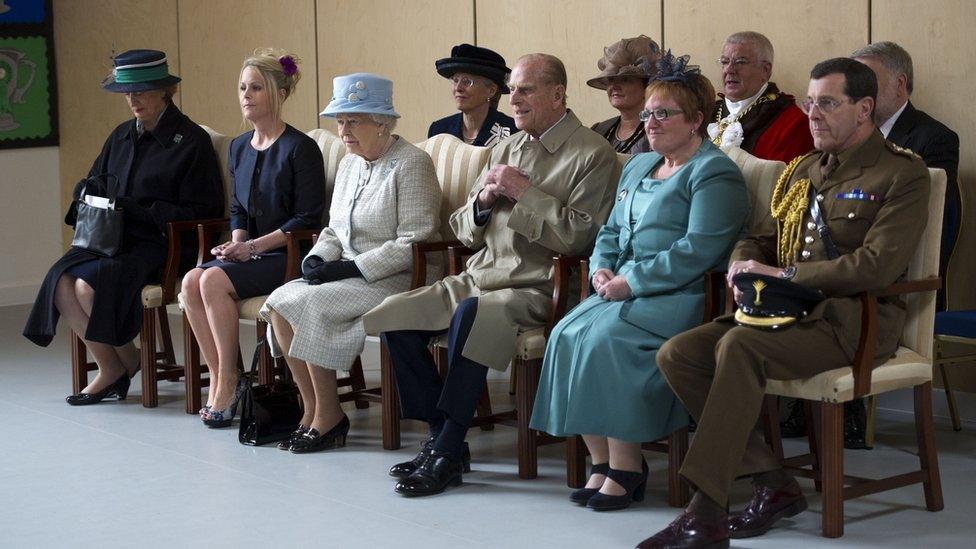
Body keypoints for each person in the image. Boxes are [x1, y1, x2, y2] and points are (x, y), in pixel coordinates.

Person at [637, 58, 930, 548]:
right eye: (811, 103)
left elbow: (875, 267)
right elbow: (764, 237)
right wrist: (743, 262)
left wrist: (787, 274)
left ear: (864, 109)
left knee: (739, 348)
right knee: (679, 353)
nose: (813, 113)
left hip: (853, 320)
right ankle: (774, 484)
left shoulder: (902, 174)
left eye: (827, 104)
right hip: (783, 314)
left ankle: (705, 512)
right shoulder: (803, 169)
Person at [362, 53, 620, 497]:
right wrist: (483, 201)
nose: (512, 98)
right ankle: (443, 432)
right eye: (512, 89)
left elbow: (581, 239)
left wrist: (524, 193)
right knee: (392, 316)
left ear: (558, 94)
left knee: (472, 315)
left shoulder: (593, 154)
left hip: (537, 286)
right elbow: (462, 230)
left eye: (525, 89)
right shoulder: (505, 147)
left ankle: (444, 451)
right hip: (478, 276)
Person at [531, 52, 750, 511]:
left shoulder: (714, 172)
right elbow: (609, 231)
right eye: (648, 113)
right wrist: (600, 268)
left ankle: (628, 467)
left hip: (680, 295)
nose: (650, 122)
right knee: (566, 335)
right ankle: (600, 461)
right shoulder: (637, 165)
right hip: (619, 288)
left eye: (663, 113)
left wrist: (632, 282)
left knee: (605, 340)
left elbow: (700, 249)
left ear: (696, 121)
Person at [24, 49, 223, 405]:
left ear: (165, 91)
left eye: (142, 91)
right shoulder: (120, 135)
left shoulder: (192, 141)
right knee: (61, 281)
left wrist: (143, 211)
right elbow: (98, 180)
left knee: (87, 290)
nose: (134, 99)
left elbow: (204, 209)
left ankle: (120, 366)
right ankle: (116, 363)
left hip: (161, 244)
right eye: (128, 92)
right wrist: (86, 190)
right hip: (111, 239)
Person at [260, 73, 441, 453]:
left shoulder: (411, 163)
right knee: (279, 301)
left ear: (382, 122)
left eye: (353, 121)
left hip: (397, 278)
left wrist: (349, 269)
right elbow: (334, 231)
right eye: (340, 122)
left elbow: (414, 243)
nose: (343, 131)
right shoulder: (349, 164)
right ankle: (311, 409)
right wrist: (316, 260)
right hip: (348, 274)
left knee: (307, 303)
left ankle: (330, 415)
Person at [181, 49, 325, 428]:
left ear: (278, 93)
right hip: (250, 253)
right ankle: (220, 376)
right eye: (242, 87)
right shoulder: (239, 146)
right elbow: (238, 208)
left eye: (256, 88)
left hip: (289, 255)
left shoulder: (301, 148)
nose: (246, 95)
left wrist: (253, 247)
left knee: (211, 279)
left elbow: (308, 220)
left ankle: (229, 380)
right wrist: (236, 242)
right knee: (190, 280)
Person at [852, 41, 960, 311]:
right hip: (847, 265)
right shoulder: (848, 136)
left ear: (899, 84)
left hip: (895, 279)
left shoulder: (936, 139)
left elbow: (920, 217)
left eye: (868, 81)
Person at [707, 31, 814, 162]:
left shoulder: (793, 124)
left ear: (765, 70)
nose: (729, 69)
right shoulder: (705, 114)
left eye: (740, 62)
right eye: (725, 62)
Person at [428, 44, 516, 147]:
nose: (458, 88)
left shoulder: (512, 132)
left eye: (466, 82)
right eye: (456, 80)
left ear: (491, 90)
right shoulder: (439, 130)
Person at [587, 34, 662, 153]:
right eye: (611, 80)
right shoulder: (599, 130)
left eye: (625, 80)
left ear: (648, 86)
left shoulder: (660, 129)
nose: (614, 86)